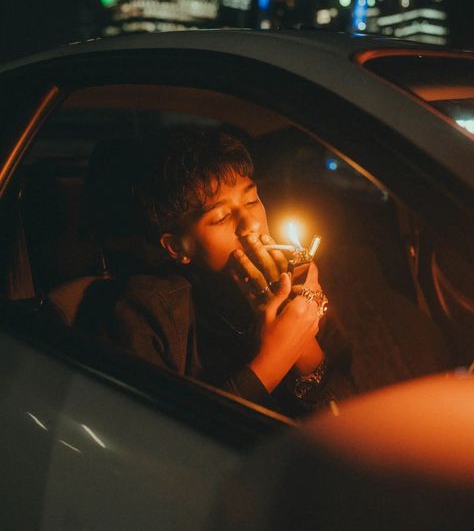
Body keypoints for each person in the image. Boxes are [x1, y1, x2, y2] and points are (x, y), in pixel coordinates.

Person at [111, 128, 354, 416]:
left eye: (251, 201)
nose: (250, 224)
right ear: (177, 247)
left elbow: (353, 419)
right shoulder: (148, 310)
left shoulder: (297, 286)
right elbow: (167, 443)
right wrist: (276, 356)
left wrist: (303, 338)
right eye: (221, 217)